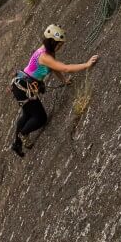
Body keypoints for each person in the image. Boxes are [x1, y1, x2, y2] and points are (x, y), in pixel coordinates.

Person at [11, 23, 97, 157]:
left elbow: (54, 67)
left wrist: (64, 80)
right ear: (52, 42)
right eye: (59, 44)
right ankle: (23, 133)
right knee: (40, 118)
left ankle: (16, 143)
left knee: (27, 114)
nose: (61, 46)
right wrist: (86, 65)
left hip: (21, 84)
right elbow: (65, 68)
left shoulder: (47, 51)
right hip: (24, 88)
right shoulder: (44, 56)